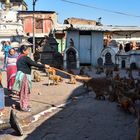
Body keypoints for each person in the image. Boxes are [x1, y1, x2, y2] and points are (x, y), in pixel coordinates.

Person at [13, 45, 50, 112]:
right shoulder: (25, 58)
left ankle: (25, 104)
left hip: (21, 75)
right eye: (27, 50)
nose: (29, 51)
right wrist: (44, 66)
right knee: (24, 91)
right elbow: (34, 63)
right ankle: (24, 107)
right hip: (24, 76)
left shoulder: (19, 57)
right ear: (23, 51)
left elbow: (28, 65)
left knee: (24, 91)